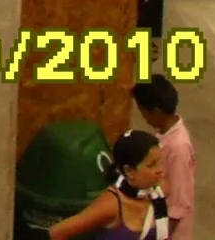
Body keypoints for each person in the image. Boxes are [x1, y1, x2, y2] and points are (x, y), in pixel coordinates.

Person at [50, 128, 170, 240]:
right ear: (129, 171)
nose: (160, 169)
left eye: (159, 162)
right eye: (151, 165)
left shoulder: (162, 189)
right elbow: (56, 233)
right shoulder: (110, 205)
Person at [133, 79, 194, 240]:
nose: (142, 115)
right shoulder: (165, 134)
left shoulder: (178, 147)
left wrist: (158, 235)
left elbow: (179, 203)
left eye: (142, 110)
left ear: (156, 111)